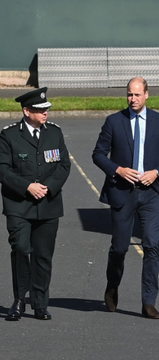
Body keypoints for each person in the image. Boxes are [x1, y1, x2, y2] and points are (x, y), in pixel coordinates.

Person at [92, 77, 159, 319]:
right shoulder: (114, 121)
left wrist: (157, 172)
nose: (133, 99)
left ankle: (148, 301)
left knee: (152, 245)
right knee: (119, 248)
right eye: (130, 95)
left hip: (151, 194)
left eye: (137, 95)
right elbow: (98, 154)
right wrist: (117, 170)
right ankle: (112, 286)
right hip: (122, 192)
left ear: (147, 95)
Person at [0, 88, 71, 320]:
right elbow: (3, 169)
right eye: (40, 110)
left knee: (43, 255)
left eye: (46, 109)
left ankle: (40, 304)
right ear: (26, 110)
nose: (45, 113)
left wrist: (48, 187)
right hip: (19, 204)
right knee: (20, 249)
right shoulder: (9, 135)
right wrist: (27, 186)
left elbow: (63, 165)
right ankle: (20, 300)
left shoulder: (54, 133)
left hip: (48, 204)